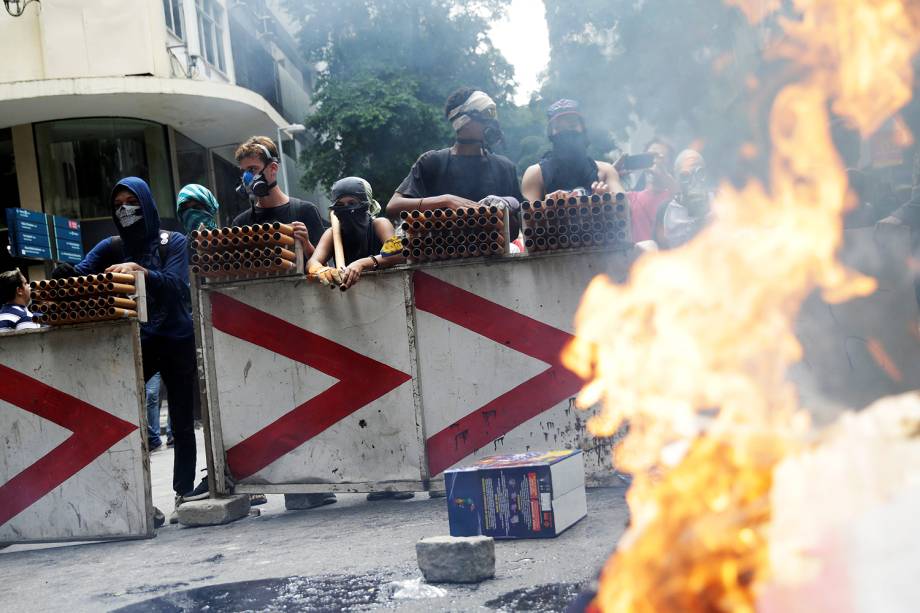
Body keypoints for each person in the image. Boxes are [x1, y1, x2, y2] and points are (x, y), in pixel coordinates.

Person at [67, 176, 198, 524]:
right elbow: (79, 277)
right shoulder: (111, 246)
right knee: (124, 420)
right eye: (118, 204)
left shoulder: (174, 242)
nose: (125, 210)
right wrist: (61, 277)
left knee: (182, 422)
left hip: (177, 339)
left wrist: (140, 271)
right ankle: (136, 501)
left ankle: (185, 492)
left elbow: (175, 286)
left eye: (132, 202)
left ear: (146, 203)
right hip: (133, 346)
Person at [386, 87, 523, 240]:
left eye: (492, 116)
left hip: (495, 258)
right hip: (439, 258)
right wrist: (445, 201)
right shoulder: (433, 162)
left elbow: (520, 224)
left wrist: (508, 205)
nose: (491, 123)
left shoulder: (504, 167)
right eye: (485, 115)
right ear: (463, 121)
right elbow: (393, 207)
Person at [232, 136, 325, 257]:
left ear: (273, 168)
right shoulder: (240, 223)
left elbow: (324, 267)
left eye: (252, 169)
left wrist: (306, 244)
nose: (246, 178)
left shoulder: (305, 211)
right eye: (243, 171)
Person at [521, 99, 624, 205]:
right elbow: (525, 218)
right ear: (551, 134)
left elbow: (626, 209)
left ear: (583, 129)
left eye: (572, 126)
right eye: (558, 128)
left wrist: (607, 200)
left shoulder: (605, 171)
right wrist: (546, 207)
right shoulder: (536, 174)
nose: (566, 132)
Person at [308, 177, 403, 290]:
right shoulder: (332, 234)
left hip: (387, 290)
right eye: (340, 204)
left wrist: (362, 264)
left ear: (366, 205)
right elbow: (312, 262)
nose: (347, 208)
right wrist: (321, 269)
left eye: (352, 202)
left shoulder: (379, 224)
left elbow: (398, 253)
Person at [653, 149, 714, 249]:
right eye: (685, 176)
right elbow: (659, 253)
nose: (693, 181)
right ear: (675, 178)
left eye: (699, 173)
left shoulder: (721, 203)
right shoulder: (665, 211)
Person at [623, 138, 677, 242]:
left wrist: (664, 174)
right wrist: (615, 170)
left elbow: (683, 199)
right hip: (641, 257)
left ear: (670, 164)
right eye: (650, 156)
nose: (654, 161)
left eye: (660, 157)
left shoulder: (675, 197)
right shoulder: (631, 197)